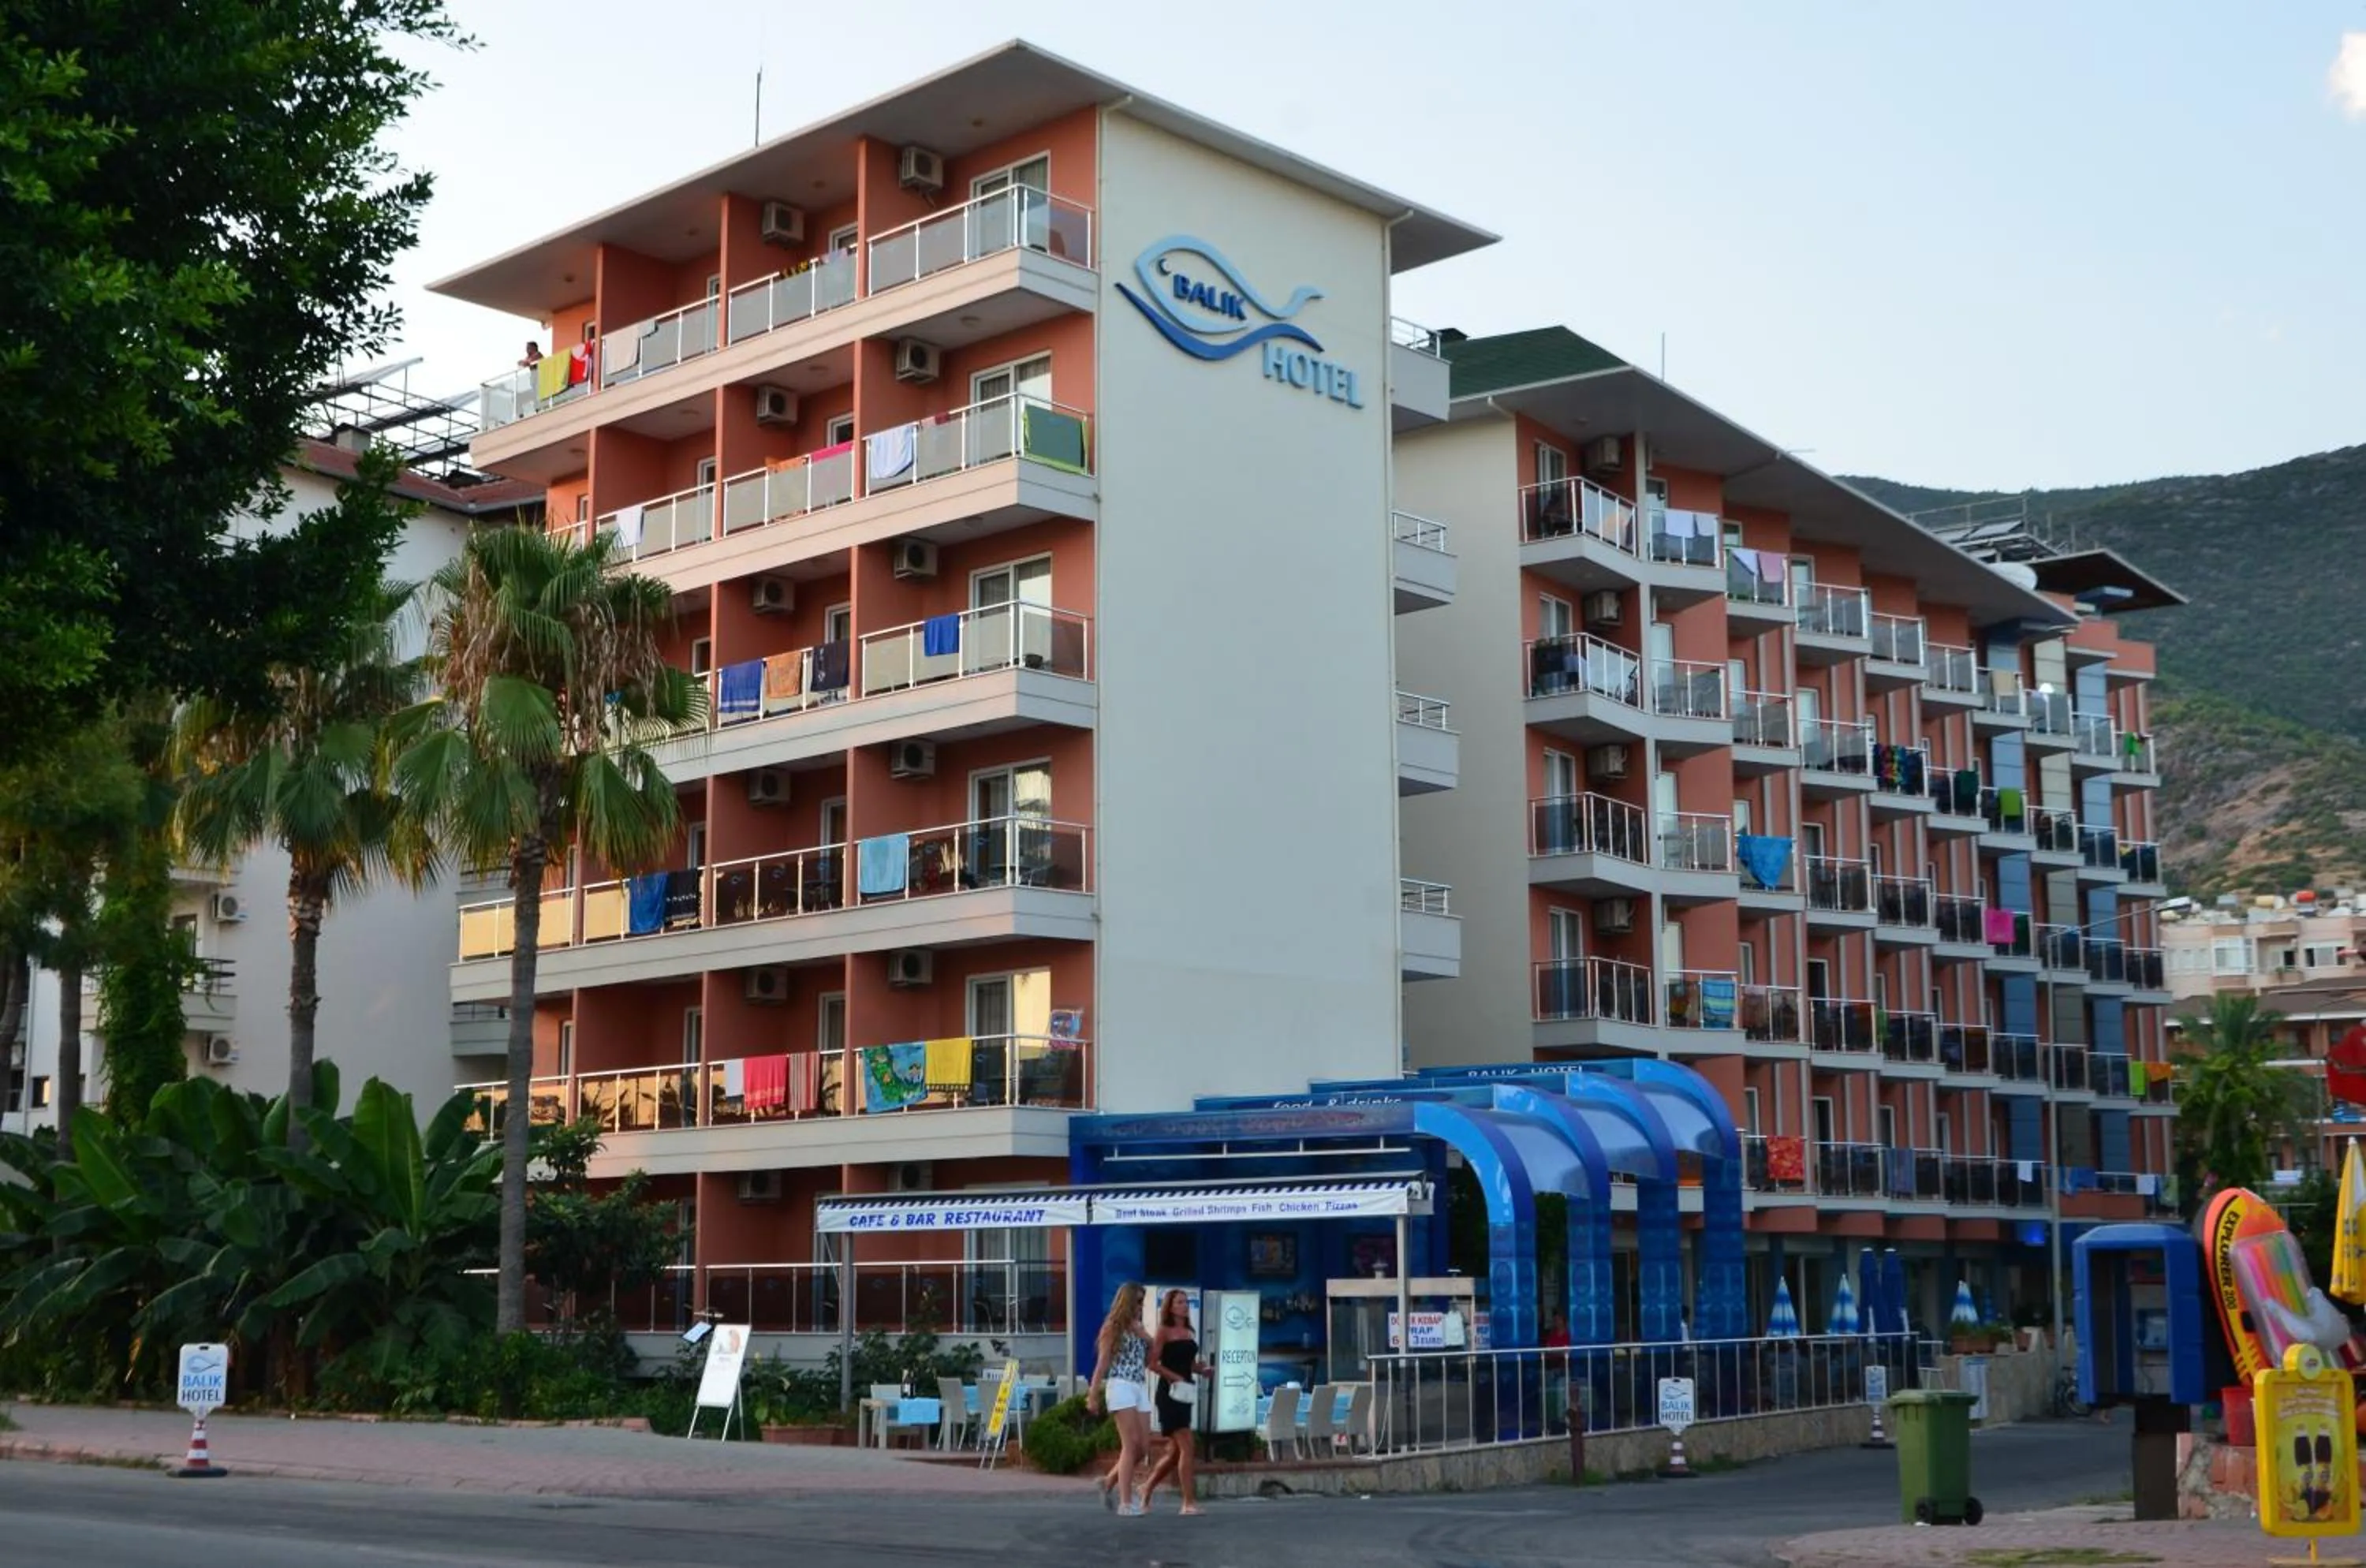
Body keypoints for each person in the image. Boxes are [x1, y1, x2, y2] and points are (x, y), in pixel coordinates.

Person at [1085, 1281, 1153, 1517]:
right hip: (1121, 1384)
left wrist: (1147, 1338)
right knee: (1130, 1444)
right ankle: (1125, 1501)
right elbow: (1102, 1363)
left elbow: (1148, 1360)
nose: (1141, 1306)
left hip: (1139, 1384)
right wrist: (1093, 1394)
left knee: (1143, 1448)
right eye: (1138, 1301)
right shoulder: (1113, 1327)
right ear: (1127, 1302)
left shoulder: (1139, 1328)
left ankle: (1108, 1481)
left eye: (1143, 1302)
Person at [1137, 1289, 1206, 1516]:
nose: (1184, 1306)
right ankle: (1188, 1502)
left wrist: (1202, 1370)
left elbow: (1189, 1364)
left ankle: (1146, 1488)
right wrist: (1174, 1376)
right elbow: (1152, 1363)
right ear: (1170, 1307)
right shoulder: (1163, 1331)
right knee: (1188, 1445)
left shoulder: (1189, 1332)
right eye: (1179, 1302)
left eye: (1186, 1302)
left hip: (1185, 1392)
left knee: (1176, 1452)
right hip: (1169, 1393)